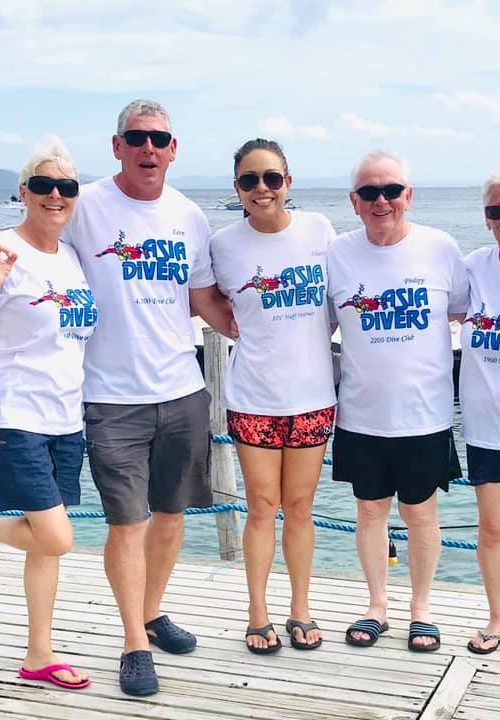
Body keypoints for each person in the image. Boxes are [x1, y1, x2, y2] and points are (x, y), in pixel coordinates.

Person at [64, 99, 235, 696]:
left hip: (183, 390)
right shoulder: (83, 206)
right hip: (111, 398)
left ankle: (152, 612)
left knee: (171, 515)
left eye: (159, 139)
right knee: (126, 524)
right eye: (136, 138)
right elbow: (33, 246)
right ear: (117, 146)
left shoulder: (189, 215)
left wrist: (271, 328)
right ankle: (133, 642)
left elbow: (204, 296)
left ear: (173, 148)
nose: (148, 149)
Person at [328, 150, 468, 652]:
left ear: (408, 195)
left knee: (421, 515)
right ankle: (377, 606)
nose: (381, 201)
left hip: (425, 415)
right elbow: (314, 323)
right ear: (354, 201)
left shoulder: (440, 247)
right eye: (369, 192)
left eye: (391, 191)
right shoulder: (336, 254)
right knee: (370, 513)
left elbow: (463, 311)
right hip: (360, 415)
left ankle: (421, 609)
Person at [211, 139, 336, 654]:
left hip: (312, 394)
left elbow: (338, 301)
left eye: (271, 178)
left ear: (288, 182)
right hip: (254, 396)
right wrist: (233, 328)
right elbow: (204, 297)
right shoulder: (223, 244)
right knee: (262, 506)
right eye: (249, 180)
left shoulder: (319, 230)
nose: (261, 189)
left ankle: (301, 608)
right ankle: (257, 612)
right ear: (237, 188)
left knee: (300, 507)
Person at [0, 140, 97, 689]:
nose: (55, 195)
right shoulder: (5, 249)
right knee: (57, 537)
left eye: (66, 187)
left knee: (44, 545)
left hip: (66, 420)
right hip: (17, 416)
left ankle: (39, 654)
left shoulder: (71, 257)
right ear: (24, 192)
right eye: (43, 185)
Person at [460, 173, 500, 655]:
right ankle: (496, 617)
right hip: (487, 428)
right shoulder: (472, 268)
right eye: (496, 211)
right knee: (491, 529)